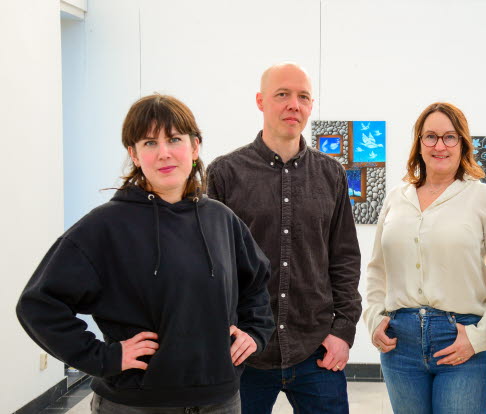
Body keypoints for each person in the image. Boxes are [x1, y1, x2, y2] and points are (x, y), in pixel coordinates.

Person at [16, 94, 274, 413]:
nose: (164, 153)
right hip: (136, 404)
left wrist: (255, 332)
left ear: (194, 148)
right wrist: (103, 357)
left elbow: (257, 286)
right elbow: (39, 304)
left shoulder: (221, 219)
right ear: (134, 154)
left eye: (174, 139)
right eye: (149, 143)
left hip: (219, 401)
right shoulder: (104, 226)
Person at [206, 63, 361, 414]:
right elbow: (210, 266)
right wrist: (225, 330)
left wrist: (343, 330)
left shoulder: (331, 174)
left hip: (316, 350)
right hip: (244, 352)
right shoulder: (224, 173)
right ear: (261, 101)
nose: (294, 104)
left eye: (303, 96)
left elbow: (345, 259)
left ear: (310, 106)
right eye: (282, 95)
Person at [364, 102, 486, 413]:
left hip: (462, 341)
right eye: (430, 136)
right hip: (400, 344)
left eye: (449, 137)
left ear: (463, 143)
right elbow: (377, 269)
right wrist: (374, 318)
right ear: (419, 143)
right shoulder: (396, 198)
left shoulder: (484, 199)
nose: (439, 145)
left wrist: (480, 337)